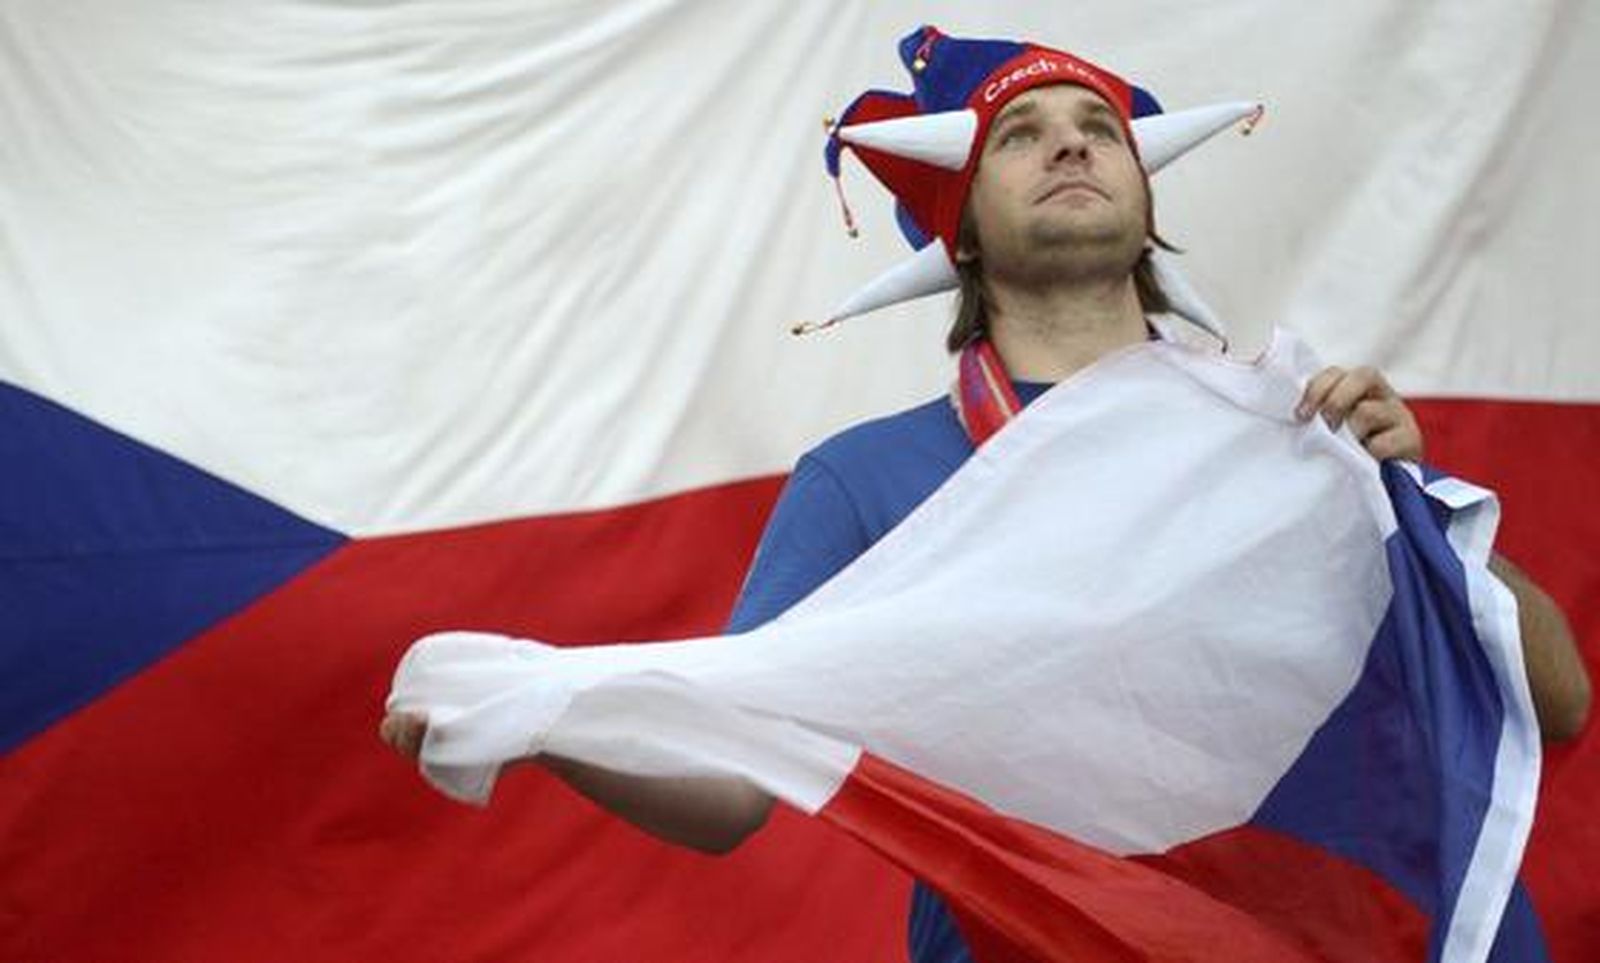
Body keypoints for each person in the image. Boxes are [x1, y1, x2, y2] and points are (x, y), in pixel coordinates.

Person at [383, 24, 1590, 961]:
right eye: (1021, 135)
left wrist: (1416, 512)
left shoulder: (1297, 430)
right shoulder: (865, 479)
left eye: (1098, 128)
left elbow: (1560, 697)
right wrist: (547, 714)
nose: (1069, 143)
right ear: (959, 229)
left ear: (1143, 197)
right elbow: (728, 791)